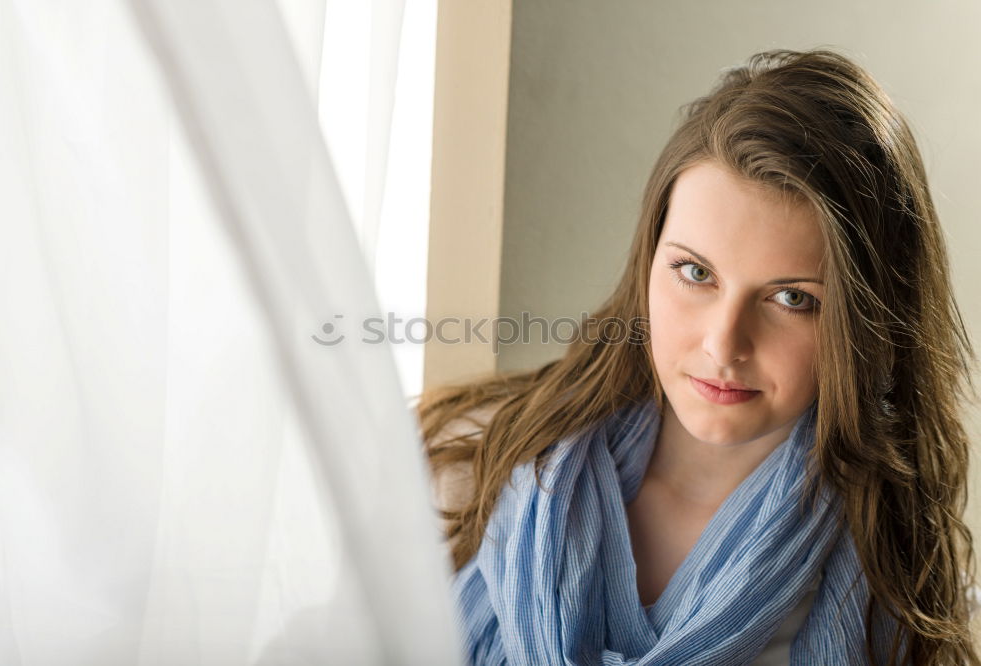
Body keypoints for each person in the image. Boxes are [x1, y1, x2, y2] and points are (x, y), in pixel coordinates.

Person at [416, 48, 980, 665]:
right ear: (648, 263)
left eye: (792, 298)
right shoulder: (464, 460)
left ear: (869, 323)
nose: (723, 343)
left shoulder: (894, 587)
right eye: (695, 272)